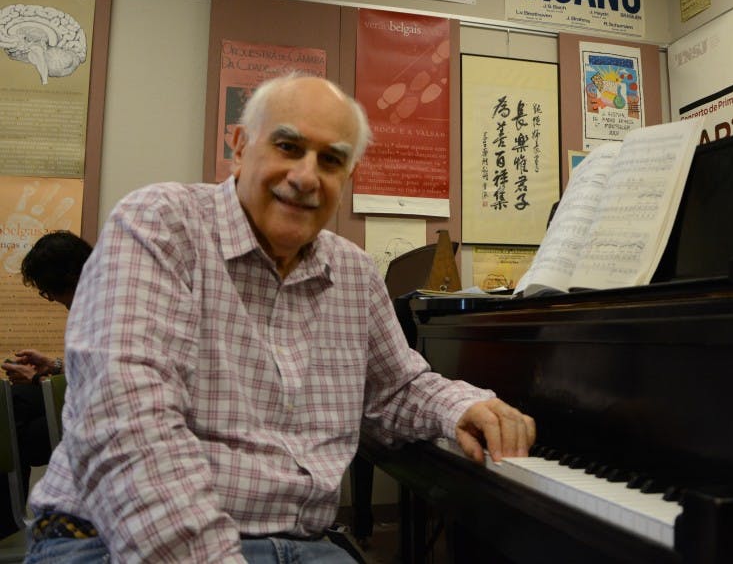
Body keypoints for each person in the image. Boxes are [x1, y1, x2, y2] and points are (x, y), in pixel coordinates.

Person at [24, 73, 535, 562]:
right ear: (241, 147)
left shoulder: (354, 271)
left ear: (347, 176)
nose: (307, 176)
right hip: (113, 538)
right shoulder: (160, 224)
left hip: (303, 544)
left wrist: (464, 405)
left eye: (332, 160)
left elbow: (394, 389)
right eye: (288, 147)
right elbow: (127, 427)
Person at [0, 230, 92, 540]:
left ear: (69, 278)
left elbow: (104, 377)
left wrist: (41, 380)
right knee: (12, 402)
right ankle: (6, 521)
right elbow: (91, 366)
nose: (50, 298)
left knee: (16, 429)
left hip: (96, 416)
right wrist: (50, 367)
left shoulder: (106, 307)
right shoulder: (96, 301)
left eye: (47, 290)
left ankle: (6, 522)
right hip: (84, 402)